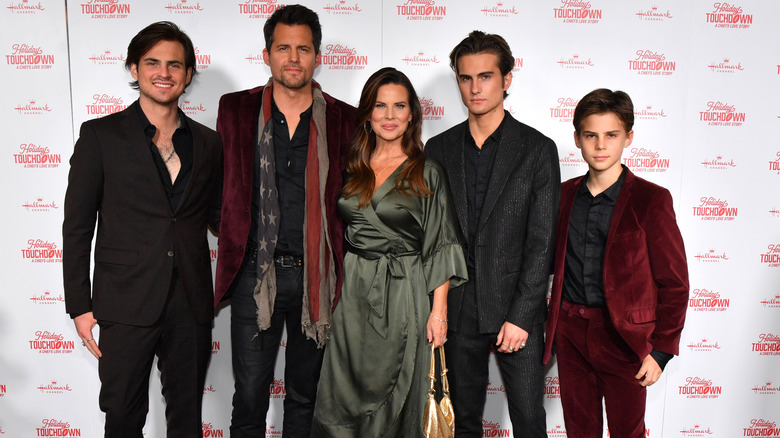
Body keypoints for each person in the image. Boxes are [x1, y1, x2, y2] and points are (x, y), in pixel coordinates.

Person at [62, 21, 222, 437]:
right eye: (152, 62)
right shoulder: (100, 136)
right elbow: (77, 227)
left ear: (188, 75)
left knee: (186, 416)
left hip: (190, 300)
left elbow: (222, 217)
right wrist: (80, 306)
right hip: (124, 299)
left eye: (174, 64)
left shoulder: (208, 142)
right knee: (122, 414)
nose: (163, 72)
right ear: (134, 68)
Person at [213, 5, 356, 437]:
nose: (293, 58)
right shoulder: (235, 109)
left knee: (304, 398)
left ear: (317, 56)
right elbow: (218, 187)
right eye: (283, 48)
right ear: (267, 54)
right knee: (250, 397)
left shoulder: (344, 118)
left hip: (318, 277)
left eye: (303, 49)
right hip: (255, 274)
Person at [311, 67, 467, 437]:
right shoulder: (351, 167)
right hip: (352, 295)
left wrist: (439, 313)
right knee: (341, 388)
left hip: (404, 292)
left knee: (402, 389)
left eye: (399, 106)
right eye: (380, 106)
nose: (390, 116)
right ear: (367, 113)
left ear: (412, 113)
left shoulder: (426, 171)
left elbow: (440, 243)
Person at [425, 31, 560, 437]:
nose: (475, 87)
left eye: (485, 76)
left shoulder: (538, 149)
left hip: (516, 313)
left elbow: (542, 243)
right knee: (463, 422)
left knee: (529, 421)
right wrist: (439, 307)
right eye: (466, 78)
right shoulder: (438, 148)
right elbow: (435, 237)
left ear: (506, 80)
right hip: (459, 309)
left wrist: (521, 317)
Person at [543, 88, 689, 438]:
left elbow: (674, 282)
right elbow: (542, 261)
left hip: (625, 338)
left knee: (628, 431)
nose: (600, 145)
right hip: (571, 331)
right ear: (577, 138)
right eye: (591, 135)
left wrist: (662, 351)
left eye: (611, 135)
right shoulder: (561, 196)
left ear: (629, 138)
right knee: (580, 431)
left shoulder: (651, 200)